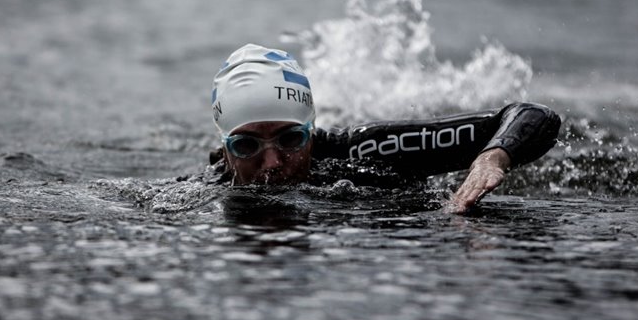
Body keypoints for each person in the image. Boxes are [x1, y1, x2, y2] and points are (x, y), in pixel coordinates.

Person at [208, 44, 560, 213]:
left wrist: (492, 160)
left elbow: (533, 114)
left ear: (311, 131)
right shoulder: (208, 184)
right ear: (225, 147)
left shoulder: (362, 151)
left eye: (290, 139)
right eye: (246, 146)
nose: (271, 163)